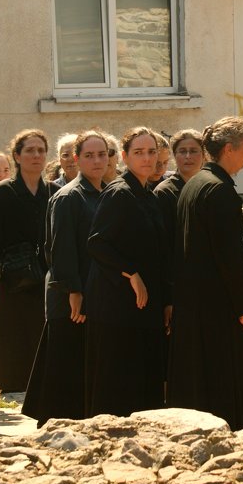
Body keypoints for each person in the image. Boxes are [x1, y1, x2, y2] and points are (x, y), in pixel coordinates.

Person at [167, 117, 243, 429]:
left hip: (193, 303)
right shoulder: (219, 190)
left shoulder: (194, 184)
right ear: (229, 150)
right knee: (222, 380)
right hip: (218, 307)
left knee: (198, 380)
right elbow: (229, 257)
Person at [24, 130, 110, 425]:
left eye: (101, 155)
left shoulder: (104, 193)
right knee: (64, 364)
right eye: (89, 155)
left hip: (93, 292)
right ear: (76, 159)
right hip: (70, 297)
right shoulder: (69, 197)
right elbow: (59, 249)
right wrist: (74, 291)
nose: (96, 161)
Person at [84, 127, 170, 417]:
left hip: (145, 308)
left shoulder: (148, 194)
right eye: (138, 152)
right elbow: (97, 243)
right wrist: (131, 273)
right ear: (123, 157)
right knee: (118, 381)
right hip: (118, 307)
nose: (146, 158)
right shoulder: (119, 193)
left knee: (145, 379)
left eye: (151, 152)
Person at [0, 129, 54, 436]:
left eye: (40, 150)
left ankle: (44, 409)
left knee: (43, 346)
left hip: (45, 280)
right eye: (30, 150)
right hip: (12, 279)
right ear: (17, 156)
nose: (36, 155)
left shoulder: (54, 192)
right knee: (5, 344)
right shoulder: (3, 193)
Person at [153, 129, 206, 253]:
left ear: (204, 155)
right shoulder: (164, 192)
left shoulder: (210, 188)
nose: (188, 156)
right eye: (182, 151)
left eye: (193, 151)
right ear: (175, 156)